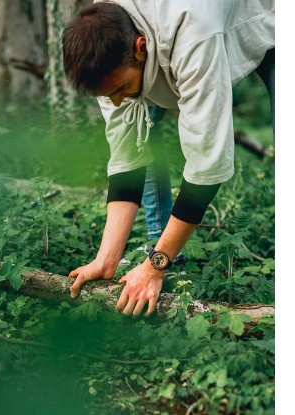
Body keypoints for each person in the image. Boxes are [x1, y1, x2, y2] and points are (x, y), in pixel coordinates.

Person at [62, 0, 275, 317]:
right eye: (109, 96)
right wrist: (106, 258)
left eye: (120, 88)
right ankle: (165, 259)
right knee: (137, 123)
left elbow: (208, 166)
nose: (116, 101)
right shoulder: (106, 38)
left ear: (140, 47)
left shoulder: (193, 33)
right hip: (174, 33)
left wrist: (154, 266)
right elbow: (127, 157)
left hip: (260, 16)